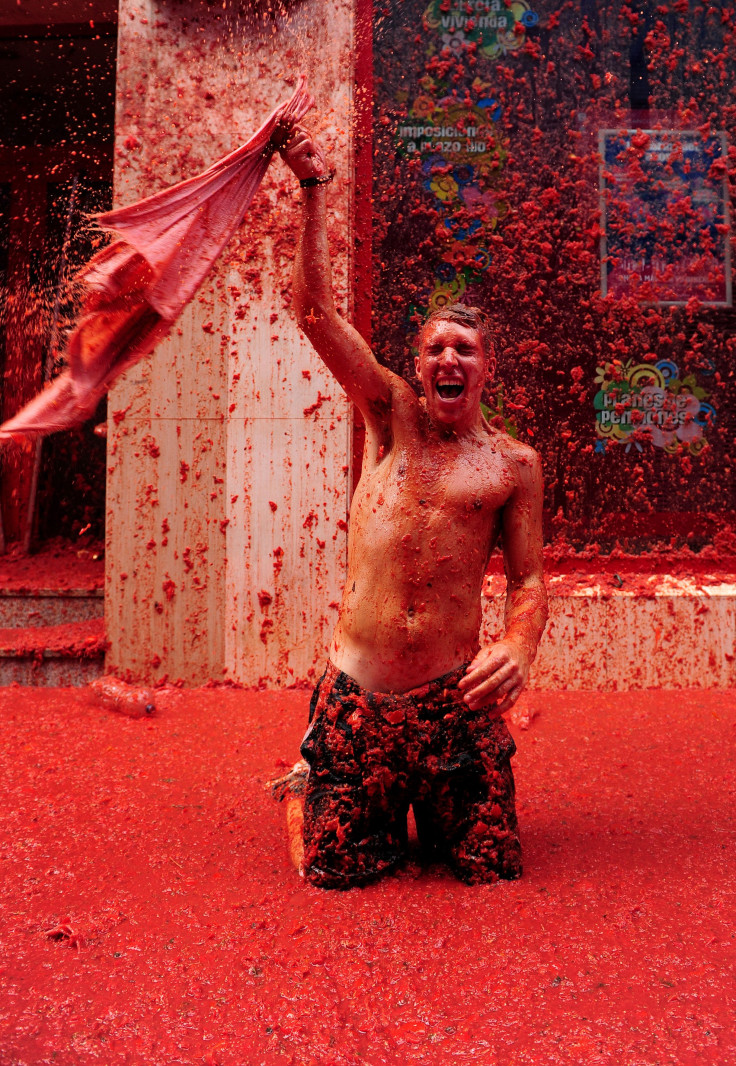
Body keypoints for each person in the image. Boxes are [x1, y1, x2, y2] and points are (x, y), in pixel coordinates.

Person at [278, 126, 548, 889]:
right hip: (357, 698)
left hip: (451, 708)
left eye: (464, 348)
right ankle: (312, 781)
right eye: (434, 348)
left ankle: (433, 803)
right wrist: (312, 188)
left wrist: (520, 648)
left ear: (487, 367)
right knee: (337, 869)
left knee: (487, 867)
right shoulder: (387, 417)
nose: (447, 359)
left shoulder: (514, 466)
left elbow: (528, 581)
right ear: (417, 364)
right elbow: (313, 315)